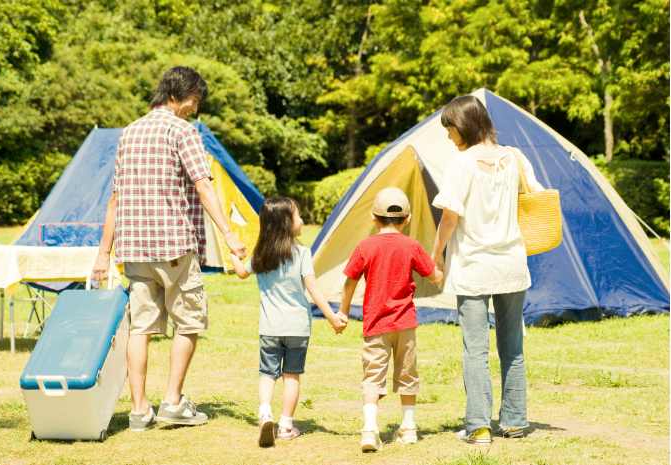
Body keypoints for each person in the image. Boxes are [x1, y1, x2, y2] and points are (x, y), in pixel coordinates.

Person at [92, 66, 247, 432]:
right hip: (174, 244)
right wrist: (229, 235)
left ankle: (140, 410)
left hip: (134, 248)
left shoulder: (128, 133)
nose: (196, 108)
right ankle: (173, 402)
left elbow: (115, 199)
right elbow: (203, 186)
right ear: (181, 94)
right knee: (189, 321)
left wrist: (103, 254)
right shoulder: (183, 130)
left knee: (141, 328)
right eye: (195, 99)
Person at [431, 95, 544, 444]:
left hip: (474, 267)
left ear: (463, 126)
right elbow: (537, 196)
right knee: (513, 347)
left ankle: (479, 426)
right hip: (511, 264)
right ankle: (514, 421)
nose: (449, 137)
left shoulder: (462, 165)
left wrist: (436, 254)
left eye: (450, 129)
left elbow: (450, 215)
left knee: (475, 350)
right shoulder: (516, 158)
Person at [230, 197, 347, 447]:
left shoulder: (260, 255)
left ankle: (264, 413)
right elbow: (313, 290)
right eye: (298, 216)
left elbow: (241, 273)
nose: (302, 220)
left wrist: (234, 258)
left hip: (269, 328)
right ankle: (285, 425)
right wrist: (332, 318)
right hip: (297, 328)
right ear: (286, 223)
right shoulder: (302, 253)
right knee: (291, 376)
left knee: (267, 374)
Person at [338, 187, 442, 452]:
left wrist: (343, 310)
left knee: (373, 375)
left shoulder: (365, 246)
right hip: (405, 322)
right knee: (407, 373)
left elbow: (350, 281)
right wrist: (440, 267)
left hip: (375, 324)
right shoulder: (412, 246)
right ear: (406, 220)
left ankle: (370, 429)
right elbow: (434, 277)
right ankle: (408, 428)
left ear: (374, 218)